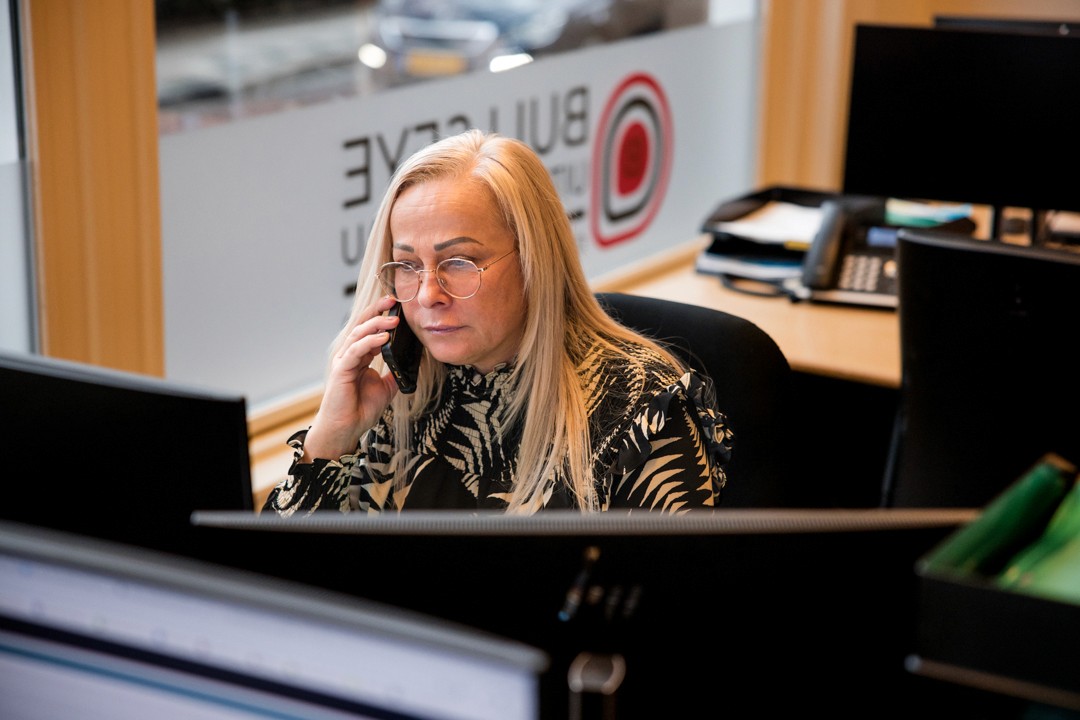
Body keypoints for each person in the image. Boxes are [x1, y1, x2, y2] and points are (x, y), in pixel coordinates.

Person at [264, 129, 732, 515]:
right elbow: (270, 592)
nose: (428, 295)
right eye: (407, 265)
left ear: (533, 261)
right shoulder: (397, 385)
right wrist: (330, 438)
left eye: (460, 261)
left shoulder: (643, 409)